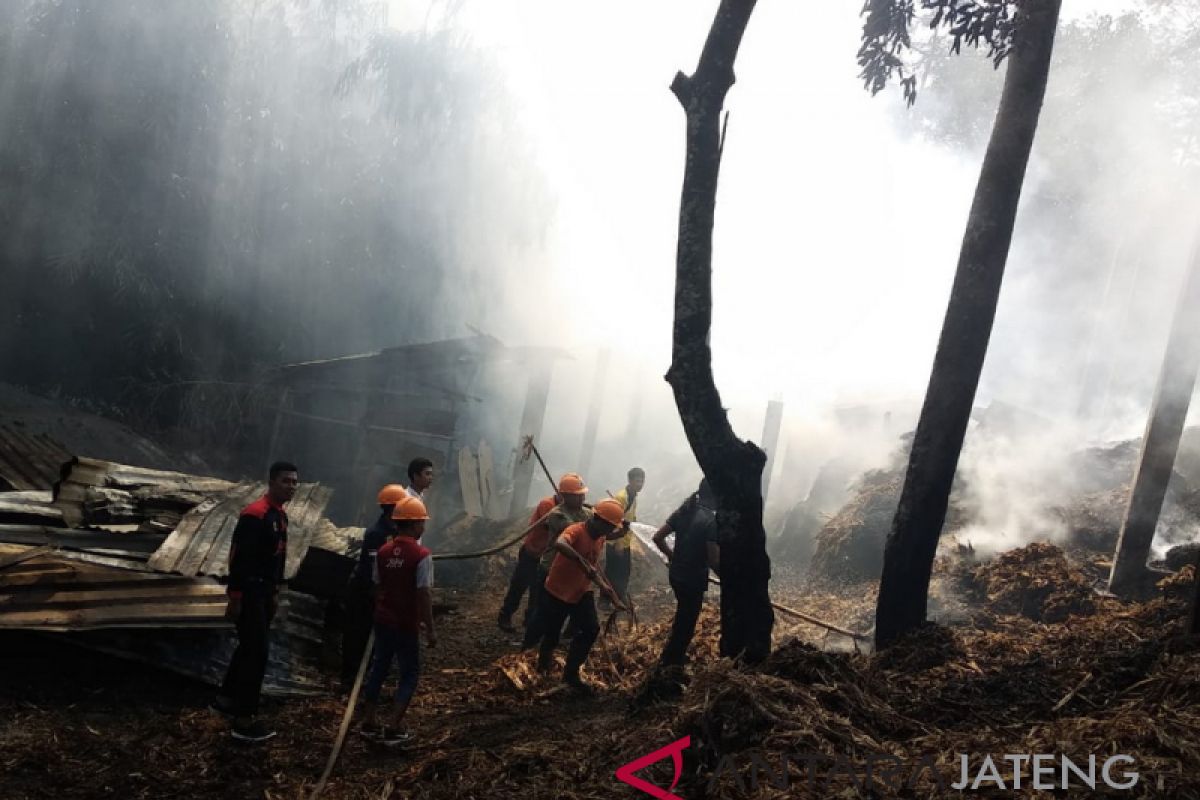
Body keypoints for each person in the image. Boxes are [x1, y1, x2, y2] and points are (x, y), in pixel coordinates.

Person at [214, 461, 298, 742]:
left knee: (250, 647)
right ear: (272, 482)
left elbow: (278, 558)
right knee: (258, 653)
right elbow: (239, 559)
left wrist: (275, 593)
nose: (291, 487)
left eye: (294, 482)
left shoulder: (280, 517)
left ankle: (226, 699)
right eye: (286, 481)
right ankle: (244, 719)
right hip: (249, 593)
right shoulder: (255, 514)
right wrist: (235, 598)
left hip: (264, 593)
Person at [360, 496, 437, 745]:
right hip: (405, 623)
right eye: (422, 522)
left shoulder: (382, 551)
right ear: (414, 525)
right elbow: (423, 594)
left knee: (378, 668)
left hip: (383, 620)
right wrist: (430, 630)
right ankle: (393, 727)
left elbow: (376, 585)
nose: (424, 526)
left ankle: (369, 722)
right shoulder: (421, 555)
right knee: (409, 673)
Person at [536, 497, 626, 693]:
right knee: (552, 635)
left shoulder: (601, 536)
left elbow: (593, 565)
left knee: (590, 630)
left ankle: (571, 674)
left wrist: (604, 587)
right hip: (558, 590)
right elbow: (561, 543)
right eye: (609, 527)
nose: (610, 531)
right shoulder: (576, 530)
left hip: (581, 591)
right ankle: (541, 669)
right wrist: (580, 560)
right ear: (598, 520)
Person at [341, 484, 406, 692]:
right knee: (357, 636)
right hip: (362, 592)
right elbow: (372, 568)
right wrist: (378, 593)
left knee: (375, 636)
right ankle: (349, 680)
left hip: (378, 591)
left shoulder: (395, 530)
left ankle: (367, 676)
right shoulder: (376, 533)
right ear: (392, 508)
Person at [652, 478, 720, 668]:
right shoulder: (711, 522)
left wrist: (673, 556)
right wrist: (729, 580)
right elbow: (714, 560)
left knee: (683, 618)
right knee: (686, 624)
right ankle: (670, 665)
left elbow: (657, 537)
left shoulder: (685, 510)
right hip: (693, 579)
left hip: (676, 575)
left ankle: (672, 658)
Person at [521, 473, 591, 649]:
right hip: (551, 568)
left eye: (583, 494)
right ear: (566, 496)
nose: (583, 497)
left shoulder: (586, 512)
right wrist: (597, 519)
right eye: (578, 494)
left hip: (571, 571)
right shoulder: (557, 514)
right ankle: (529, 644)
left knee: (562, 610)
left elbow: (597, 528)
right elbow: (577, 530)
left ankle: (550, 642)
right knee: (541, 610)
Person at [498, 492, 559, 633]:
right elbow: (550, 525)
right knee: (518, 586)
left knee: (538, 591)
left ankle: (530, 620)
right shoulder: (548, 504)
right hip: (532, 553)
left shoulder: (565, 509)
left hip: (546, 556)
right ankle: (505, 615)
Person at [603, 467, 645, 610]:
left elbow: (630, 519)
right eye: (637, 481)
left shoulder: (633, 496)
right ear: (630, 481)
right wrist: (619, 543)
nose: (640, 484)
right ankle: (605, 602)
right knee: (613, 572)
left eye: (642, 481)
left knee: (623, 572)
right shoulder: (622, 497)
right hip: (616, 541)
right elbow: (615, 521)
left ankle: (618, 599)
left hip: (624, 540)